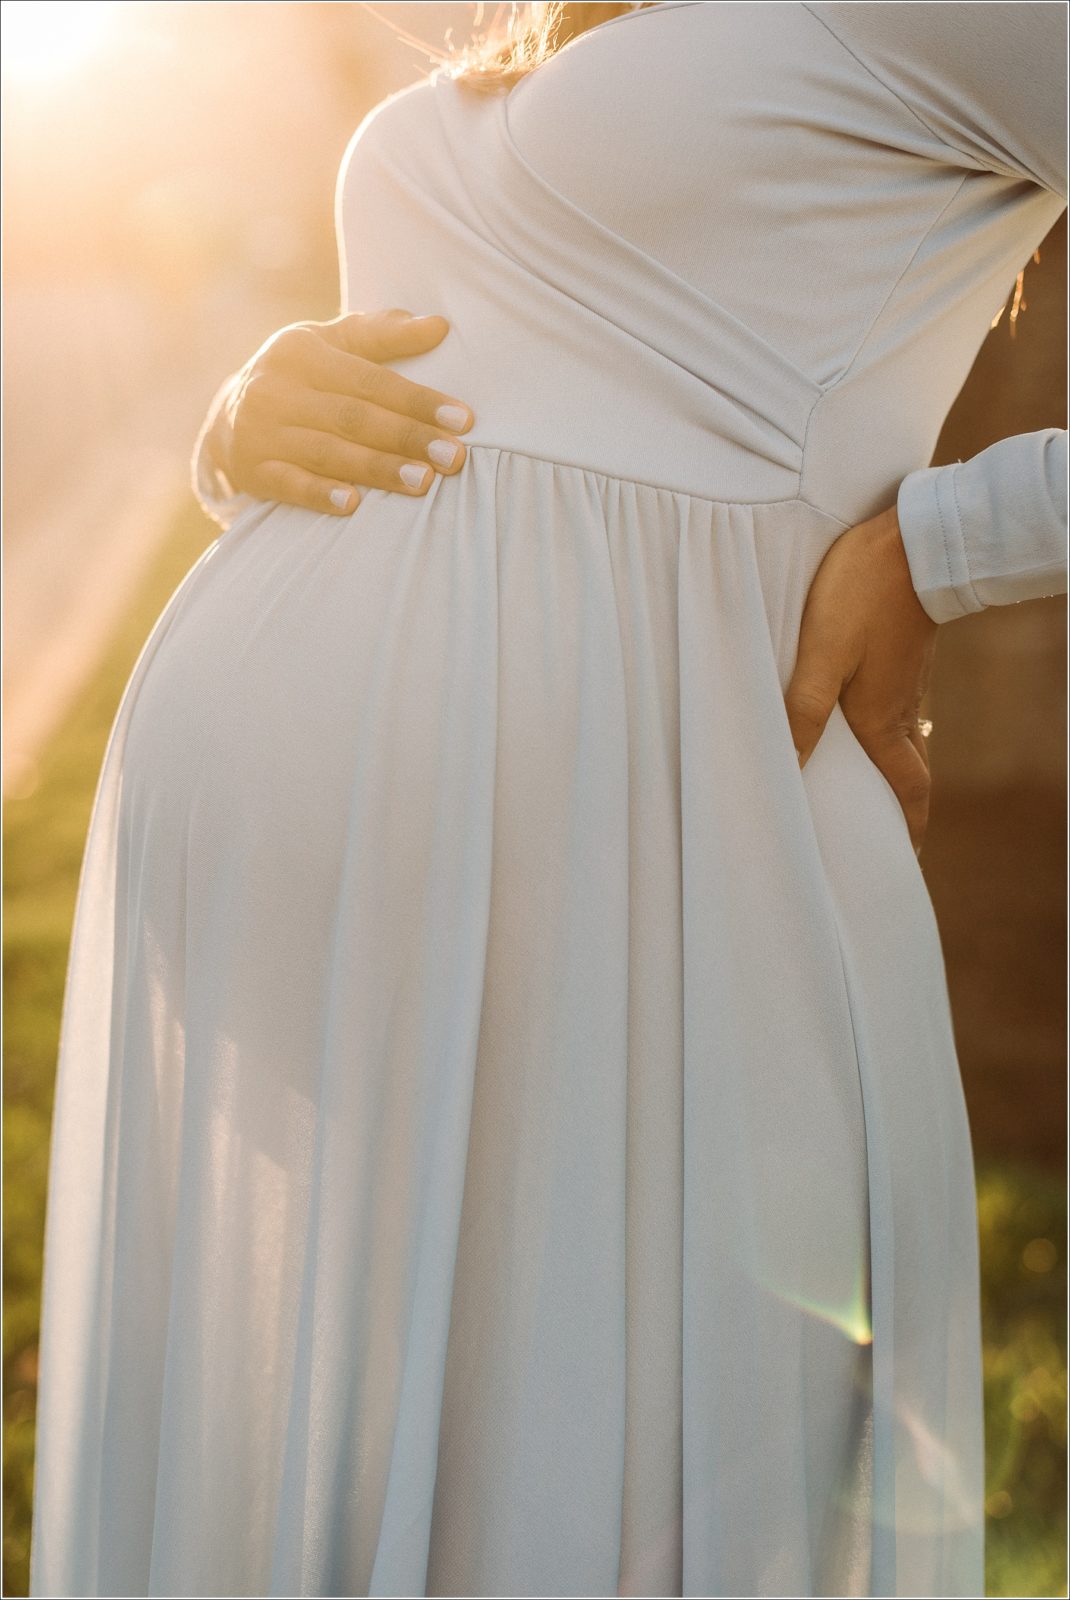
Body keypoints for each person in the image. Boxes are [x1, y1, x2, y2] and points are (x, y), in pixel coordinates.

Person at [29, 4, 1068, 1597]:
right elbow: (476, 387)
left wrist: (947, 543)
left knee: (606, 1479)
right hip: (316, 937)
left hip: (653, 866)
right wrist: (244, 426)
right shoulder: (540, 31)